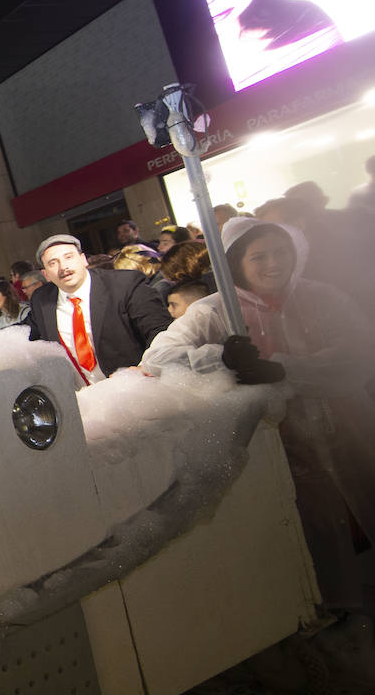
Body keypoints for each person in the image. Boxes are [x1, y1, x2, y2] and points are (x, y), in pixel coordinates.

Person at [141, 219, 375, 619]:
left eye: (281, 252)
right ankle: (339, 614)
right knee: (315, 530)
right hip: (285, 445)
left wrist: (284, 368)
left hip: (350, 430)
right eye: (259, 256)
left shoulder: (321, 297)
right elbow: (157, 357)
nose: (273, 263)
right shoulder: (214, 310)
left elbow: (358, 351)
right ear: (236, 262)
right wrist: (220, 358)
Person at [26, 234, 173, 384]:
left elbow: (161, 331)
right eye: (53, 263)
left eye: (68, 257)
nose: (63, 267)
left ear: (83, 259)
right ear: (46, 275)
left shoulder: (125, 284)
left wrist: (146, 368)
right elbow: (23, 333)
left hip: (135, 388)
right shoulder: (42, 299)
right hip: (83, 398)